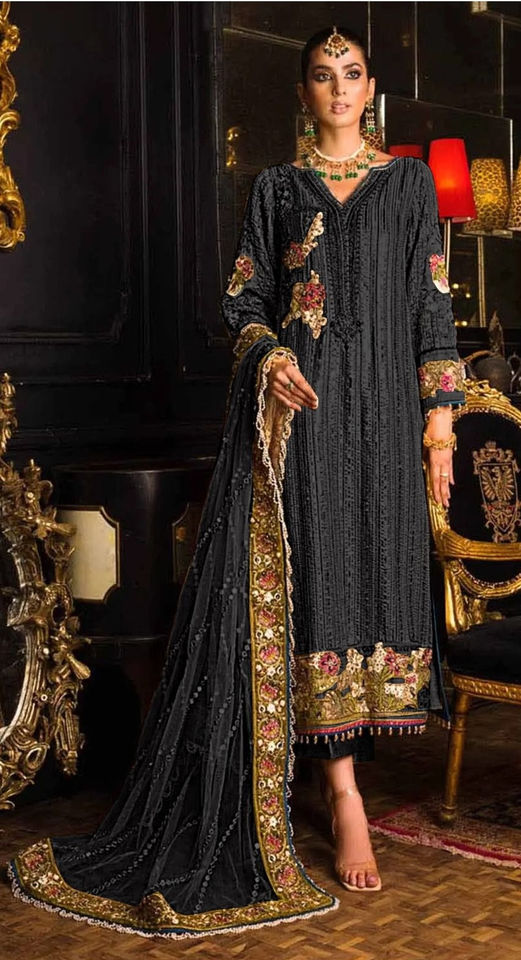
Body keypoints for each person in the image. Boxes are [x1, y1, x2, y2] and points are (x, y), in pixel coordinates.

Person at [7, 24, 465, 939]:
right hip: (304, 419)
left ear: (369, 85)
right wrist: (268, 358)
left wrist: (441, 419)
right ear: (302, 94)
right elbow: (243, 300)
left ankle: (349, 768)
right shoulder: (275, 189)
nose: (338, 89)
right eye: (321, 76)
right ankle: (342, 793)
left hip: (385, 419)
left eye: (351, 73)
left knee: (376, 581)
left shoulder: (409, 185)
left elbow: (430, 300)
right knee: (318, 585)